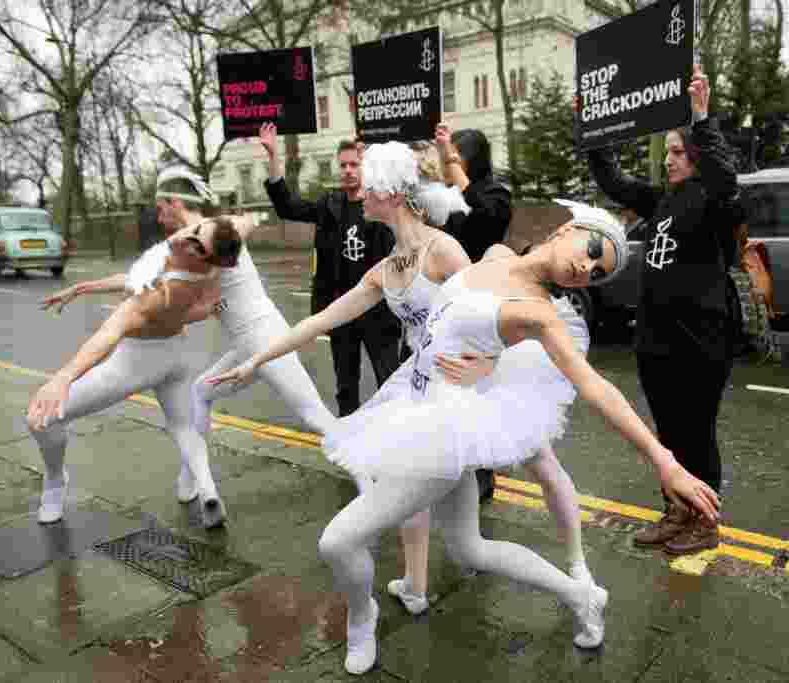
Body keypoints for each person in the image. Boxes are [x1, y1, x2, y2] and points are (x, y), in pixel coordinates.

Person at [252, 144, 719, 673]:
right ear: (565, 230)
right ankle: (579, 595)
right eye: (591, 250)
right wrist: (255, 360)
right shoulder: (494, 257)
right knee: (471, 548)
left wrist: (665, 460)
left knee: (336, 541)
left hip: (437, 433)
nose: (585, 268)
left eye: (596, 273)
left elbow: (594, 386)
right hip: (417, 402)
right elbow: (447, 320)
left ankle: (363, 622)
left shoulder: (536, 311)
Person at [207, 142, 598, 618]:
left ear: (389, 193)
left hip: (471, 383)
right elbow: (322, 320)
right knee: (425, 493)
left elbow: (496, 309)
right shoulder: (387, 269)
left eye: (367, 187)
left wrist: (490, 368)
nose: (359, 195)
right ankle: (417, 583)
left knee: (540, 462)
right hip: (424, 387)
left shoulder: (444, 250)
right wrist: (256, 360)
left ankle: (578, 571)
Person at [42, 168, 338, 504]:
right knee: (201, 391)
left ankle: (371, 474)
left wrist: (174, 312)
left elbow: (239, 234)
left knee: (314, 415)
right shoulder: (191, 240)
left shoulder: (210, 236)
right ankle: (193, 479)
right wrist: (85, 287)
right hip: (248, 341)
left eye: (160, 208)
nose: (158, 216)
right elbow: (140, 277)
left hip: (267, 336)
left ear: (173, 202)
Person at [586, 64, 737, 555]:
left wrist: (700, 117)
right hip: (657, 338)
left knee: (696, 433)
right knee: (669, 436)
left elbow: (723, 170)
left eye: (677, 152)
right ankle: (676, 511)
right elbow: (614, 182)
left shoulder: (713, 199)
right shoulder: (664, 199)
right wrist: (595, 133)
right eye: (668, 151)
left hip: (702, 338)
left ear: (694, 155)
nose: (669, 160)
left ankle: (705, 521)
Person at [27, 215, 243, 529]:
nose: (187, 238)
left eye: (197, 243)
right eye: (195, 231)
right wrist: (84, 287)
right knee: (183, 425)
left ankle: (55, 480)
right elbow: (135, 278)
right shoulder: (208, 269)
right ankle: (208, 491)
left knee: (40, 417)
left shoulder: (158, 293)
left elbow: (108, 333)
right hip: (177, 357)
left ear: (209, 258)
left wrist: (63, 377)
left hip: (136, 363)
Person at [261, 123, 402, 416]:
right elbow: (288, 207)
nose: (348, 170)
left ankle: (396, 439)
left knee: (390, 380)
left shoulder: (383, 203)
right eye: (343, 165)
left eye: (355, 164)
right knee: (345, 385)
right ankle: (350, 440)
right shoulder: (330, 204)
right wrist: (274, 156)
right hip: (341, 310)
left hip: (379, 310)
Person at [435, 122, 514, 502]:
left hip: (484, 302)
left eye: (460, 158)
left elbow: (487, 221)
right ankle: (457, 465)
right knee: (451, 388)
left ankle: (484, 472)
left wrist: (460, 180)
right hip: (453, 299)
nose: (455, 166)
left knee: (479, 388)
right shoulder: (452, 197)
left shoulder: (494, 193)